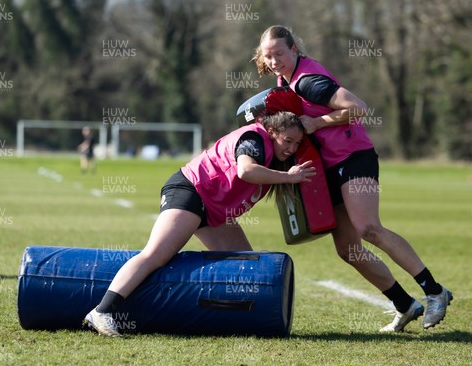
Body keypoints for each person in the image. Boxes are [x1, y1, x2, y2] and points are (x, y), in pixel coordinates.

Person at [253, 25, 452, 332]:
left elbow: (358, 108)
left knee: (369, 228)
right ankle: (405, 305)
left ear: (294, 50)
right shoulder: (284, 80)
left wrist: (316, 122)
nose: (275, 60)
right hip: (328, 166)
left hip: (353, 156)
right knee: (348, 249)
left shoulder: (309, 82)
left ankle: (434, 291)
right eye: (268, 56)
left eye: (280, 53)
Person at [84, 111, 316, 337]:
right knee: (156, 254)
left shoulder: (274, 155)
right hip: (191, 191)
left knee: (244, 264)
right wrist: (288, 176)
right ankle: (102, 311)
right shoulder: (254, 140)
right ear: (272, 131)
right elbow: (245, 170)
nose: (292, 148)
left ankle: (237, 322)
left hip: (213, 209)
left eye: (297, 143)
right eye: (287, 140)